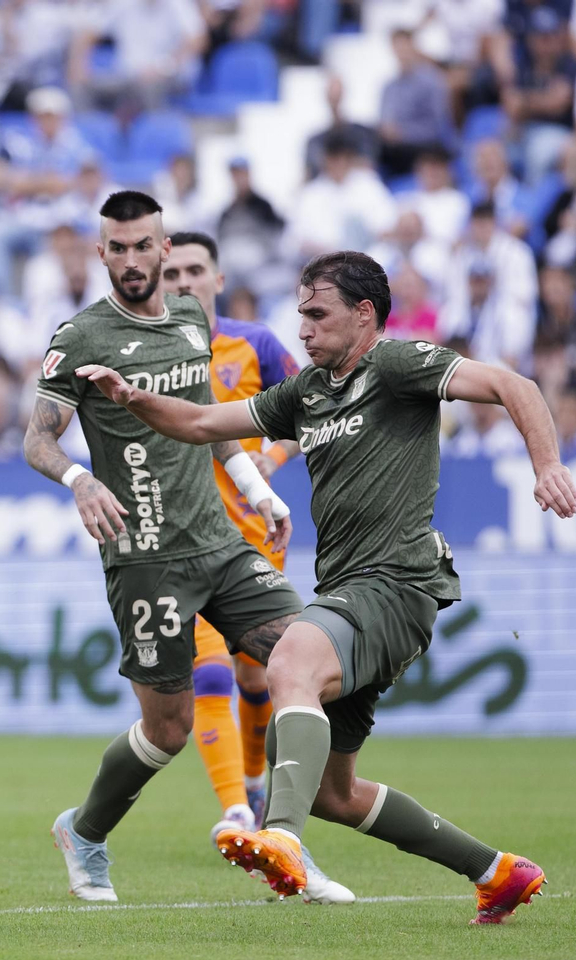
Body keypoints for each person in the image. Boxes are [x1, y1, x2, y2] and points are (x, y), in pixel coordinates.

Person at [74, 250, 576, 923]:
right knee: (331, 791)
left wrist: (546, 466)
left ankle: (279, 835)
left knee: (289, 660)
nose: (303, 330)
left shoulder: (397, 366)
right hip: (351, 589)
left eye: (318, 315)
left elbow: (516, 386)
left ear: (364, 315)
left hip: (396, 580)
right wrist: (133, 398)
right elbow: (202, 424)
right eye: (300, 315)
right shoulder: (307, 391)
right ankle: (497, 871)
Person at [22, 191, 311, 904]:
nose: (130, 260)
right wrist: (80, 479)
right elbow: (37, 438)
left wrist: (260, 492)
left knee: (307, 658)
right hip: (144, 559)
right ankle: (85, 830)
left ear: (162, 250)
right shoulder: (82, 337)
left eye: (141, 247)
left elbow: (208, 420)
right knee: (169, 729)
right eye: (115, 249)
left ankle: (282, 834)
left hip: (219, 542)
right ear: (102, 254)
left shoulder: (189, 322)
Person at [161, 231, 357, 904]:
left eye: (195, 269)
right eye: (173, 271)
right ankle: (239, 810)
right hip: (182, 548)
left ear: (218, 278)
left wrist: (271, 462)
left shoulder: (256, 345)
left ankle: (248, 781)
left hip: (255, 543)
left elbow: (312, 407)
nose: (184, 280)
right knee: (210, 669)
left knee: (260, 676)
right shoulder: (147, 350)